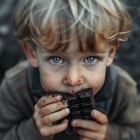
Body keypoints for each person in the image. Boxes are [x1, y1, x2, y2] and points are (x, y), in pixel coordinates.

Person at [0, 0, 140, 140]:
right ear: (32, 53)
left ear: (110, 53)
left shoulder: (122, 89)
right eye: (56, 59)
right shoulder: (16, 88)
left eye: (90, 59)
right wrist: (32, 131)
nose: (73, 80)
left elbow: (134, 132)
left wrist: (109, 135)